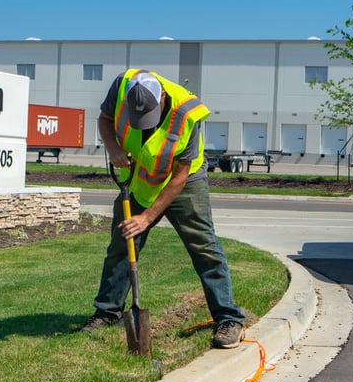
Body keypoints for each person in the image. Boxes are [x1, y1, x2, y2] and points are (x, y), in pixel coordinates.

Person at [80, 69, 247, 349]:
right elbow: (106, 119)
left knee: (203, 247)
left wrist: (146, 218)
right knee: (122, 243)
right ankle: (107, 313)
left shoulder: (187, 113)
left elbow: (180, 174)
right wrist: (113, 148)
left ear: (163, 99)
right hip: (140, 179)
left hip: (184, 183)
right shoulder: (122, 86)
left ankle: (228, 318)